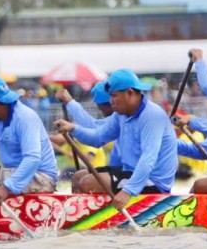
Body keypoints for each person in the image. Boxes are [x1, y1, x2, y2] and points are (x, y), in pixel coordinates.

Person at [54, 70, 177, 207]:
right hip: (129, 171)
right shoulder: (121, 115)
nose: (111, 102)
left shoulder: (152, 116)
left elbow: (148, 158)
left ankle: (95, 219)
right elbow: (97, 138)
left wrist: (128, 191)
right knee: (77, 177)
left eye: (113, 96)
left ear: (130, 93)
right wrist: (72, 129)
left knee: (88, 182)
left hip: (153, 180)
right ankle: (77, 218)